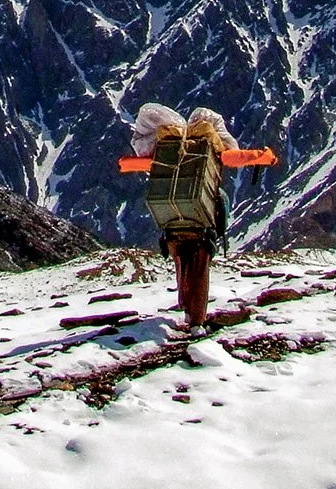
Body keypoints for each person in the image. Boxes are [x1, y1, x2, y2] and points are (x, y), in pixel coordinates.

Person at [118, 104, 277, 324]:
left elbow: (128, 164)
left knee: (181, 265)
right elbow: (238, 157)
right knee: (200, 271)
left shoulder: (165, 154)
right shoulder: (211, 151)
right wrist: (266, 157)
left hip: (172, 223)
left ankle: (185, 308)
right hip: (201, 224)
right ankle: (196, 322)